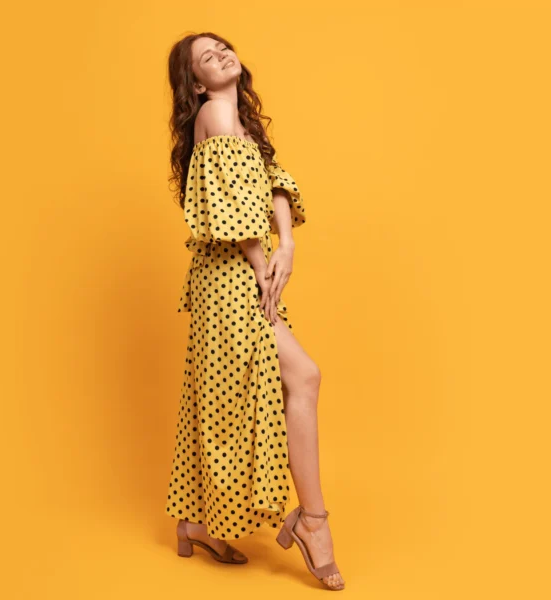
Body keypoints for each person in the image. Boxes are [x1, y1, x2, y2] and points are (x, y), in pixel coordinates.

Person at [164, 33, 345, 591]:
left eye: (223, 46)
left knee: (228, 398)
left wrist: (286, 243)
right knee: (292, 380)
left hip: (243, 271)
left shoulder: (240, 120)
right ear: (197, 84)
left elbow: (274, 183)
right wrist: (265, 262)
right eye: (206, 56)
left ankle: (197, 522)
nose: (220, 54)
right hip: (230, 278)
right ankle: (313, 522)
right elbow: (234, 206)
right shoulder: (216, 115)